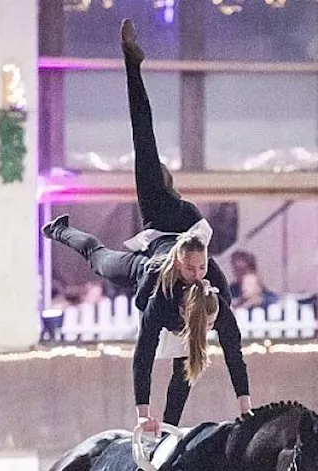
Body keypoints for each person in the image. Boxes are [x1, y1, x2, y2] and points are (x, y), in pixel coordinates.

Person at [42, 19, 251, 434]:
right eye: (193, 270)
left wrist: (242, 406)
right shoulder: (163, 291)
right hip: (164, 231)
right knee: (101, 259)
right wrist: (142, 412)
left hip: (180, 231)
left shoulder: (212, 302)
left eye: (200, 268)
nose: (212, 328)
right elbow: (142, 354)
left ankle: (169, 437)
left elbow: (229, 353)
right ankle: (60, 229)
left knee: (182, 370)